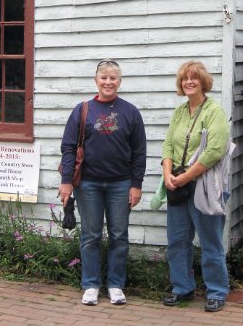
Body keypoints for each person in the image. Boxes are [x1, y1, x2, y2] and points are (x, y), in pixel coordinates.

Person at [58, 59, 146, 306]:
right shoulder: (82, 109)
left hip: (121, 184)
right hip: (88, 184)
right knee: (91, 235)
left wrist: (136, 184)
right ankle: (91, 284)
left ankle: (116, 285)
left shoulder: (130, 112)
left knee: (119, 235)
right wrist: (66, 182)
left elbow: (139, 152)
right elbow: (67, 147)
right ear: (96, 80)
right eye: (104, 77)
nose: (108, 82)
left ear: (120, 81)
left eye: (113, 78)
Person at [161, 60, 230, 313]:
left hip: (205, 187)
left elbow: (214, 151)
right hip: (178, 185)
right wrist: (168, 174)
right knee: (177, 241)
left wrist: (186, 177)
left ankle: (217, 292)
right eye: (184, 79)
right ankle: (182, 288)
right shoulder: (180, 111)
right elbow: (168, 145)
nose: (188, 82)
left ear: (203, 82)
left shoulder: (214, 111)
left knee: (211, 242)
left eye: (194, 78)